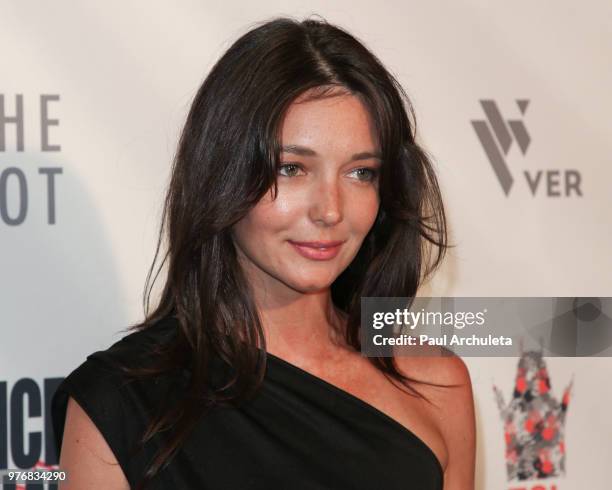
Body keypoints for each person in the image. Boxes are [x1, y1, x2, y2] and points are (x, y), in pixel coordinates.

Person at [51, 16, 476, 490]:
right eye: (291, 168)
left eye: (361, 173)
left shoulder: (436, 383)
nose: (331, 211)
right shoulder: (121, 403)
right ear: (222, 174)